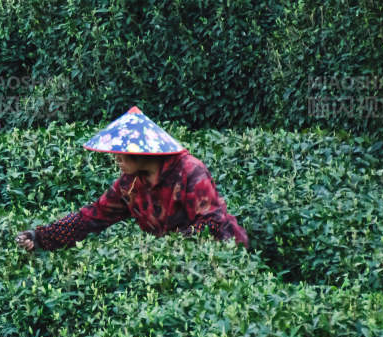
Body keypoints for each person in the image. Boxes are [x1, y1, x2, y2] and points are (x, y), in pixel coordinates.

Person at [15, 106, 248, 251]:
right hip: (172, 261)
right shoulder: (130, 184)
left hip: (221, 253)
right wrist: (41, 237)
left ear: (141, 150)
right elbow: (92, 217)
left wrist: (165, 247)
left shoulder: (190, 172)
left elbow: (211, 224)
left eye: (121, 151)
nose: (116, 157)